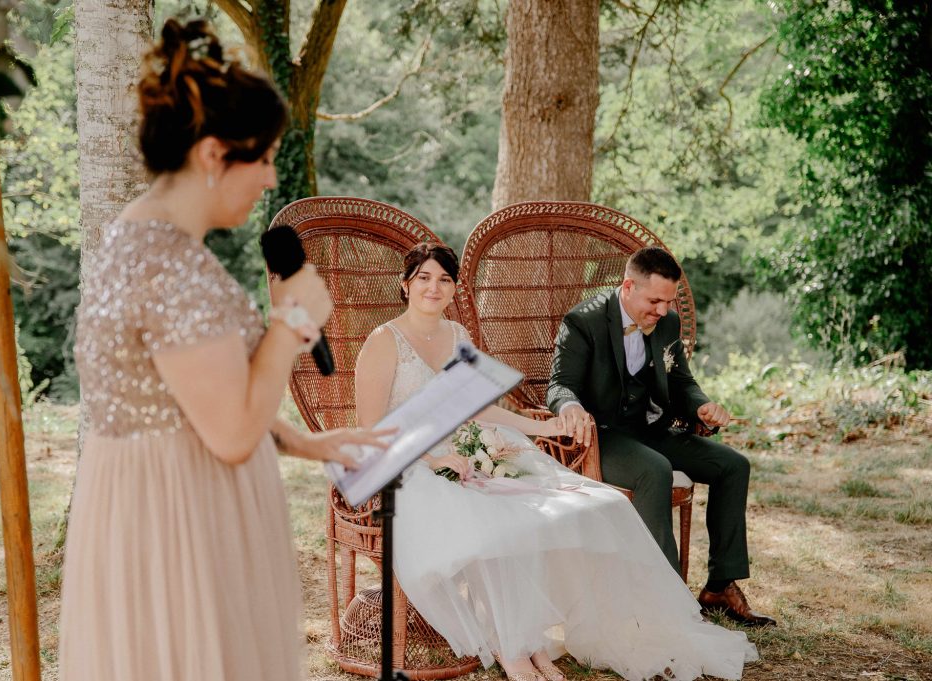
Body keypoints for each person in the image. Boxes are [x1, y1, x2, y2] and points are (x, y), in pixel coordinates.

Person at [58, 18, 389, 680]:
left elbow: (198, 399)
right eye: (262, 157)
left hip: (162, 500)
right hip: (176, 520)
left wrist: (309, 442)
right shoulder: (166, 264)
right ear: (213, 154)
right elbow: (232, 433)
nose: (270, 178)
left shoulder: (145, 239)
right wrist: (291, 320)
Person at [354, 243, 758, 681]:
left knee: (555, 509)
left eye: (444, 279)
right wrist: (433, 459)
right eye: (424, 278)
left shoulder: (457, 336)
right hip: (407, 465)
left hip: (470, 449)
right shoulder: (383, 341)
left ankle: (532, 639)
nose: (434, 287)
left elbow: (478, 409)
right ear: (405, 283)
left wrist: (545, 430)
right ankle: (510, 646)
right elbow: (370, 431)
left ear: (455, 288)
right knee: (490, 523)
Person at [547, 246, 776, 627]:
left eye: (668, 302)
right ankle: (667, 599)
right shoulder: (582, 321)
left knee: (732, 465)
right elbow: (559, 384)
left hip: (650, 429)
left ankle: (720, 586)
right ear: (627, 287)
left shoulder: (665, 323)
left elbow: (681, 381)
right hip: (601, 437)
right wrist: (569, 407)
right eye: (654, 300)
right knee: (656, 470)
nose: (663, 311)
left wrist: (701, 406)